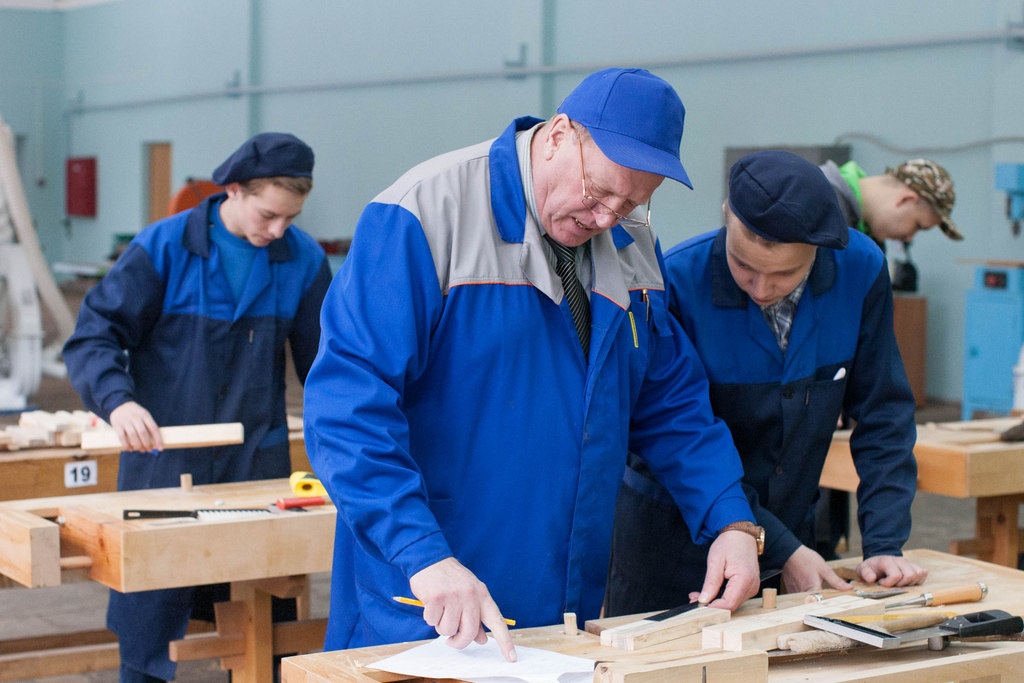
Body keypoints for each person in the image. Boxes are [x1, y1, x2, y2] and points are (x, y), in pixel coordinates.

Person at [303, 68, 761, 664]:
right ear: (558, 135)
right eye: (598, 193)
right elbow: (347, 409)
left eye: (631, 205)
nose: (605, 218)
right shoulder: (424, 214)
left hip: (564, 587)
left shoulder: (629, 242)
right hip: (433, 582)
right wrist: (422, 553)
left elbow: (667, 399)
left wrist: (729, 518)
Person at [605, 150, 927, 618]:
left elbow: (884, 414)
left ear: (821, 248)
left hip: (793, 544)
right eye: (744, 265)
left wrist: (884, 543)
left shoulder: (860, 272)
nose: (760, 288)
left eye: (784, 274)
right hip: (670, 549)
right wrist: (779, 547)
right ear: (726, 216)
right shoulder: (673, 282)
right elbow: (674, 440)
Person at [63, 132, 332, 683]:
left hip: (254, 471)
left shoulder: (300, 258)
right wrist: (118, 403)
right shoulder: (163, 248)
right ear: (233, 189)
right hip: (164, 464)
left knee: (265, 630)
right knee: (147, 632)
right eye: (268, 215)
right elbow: (93, 337)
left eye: (290, 217)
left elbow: (325, 368)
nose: (277, 230)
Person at [818, 157, 961, 246]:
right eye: (918, 226)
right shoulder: (819, 202)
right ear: (906, 199)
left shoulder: (864, 237)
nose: (909, 238)